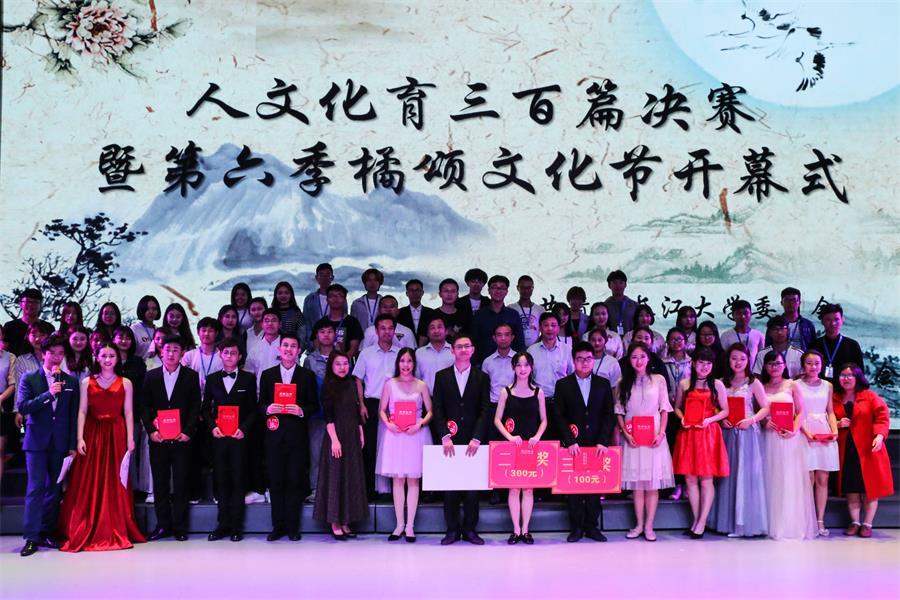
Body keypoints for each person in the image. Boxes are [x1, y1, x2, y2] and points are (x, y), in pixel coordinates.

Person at [58, 343, 144, 551]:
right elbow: (82, 411)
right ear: (97, 357)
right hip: (92, 432)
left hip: (116, 432)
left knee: (116, 479)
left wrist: (130, 438)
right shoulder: (87, 382)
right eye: (104, 355)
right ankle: (86, 524)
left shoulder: (126, 383)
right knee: (88, 479)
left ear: (117, 358)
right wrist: (79, 438)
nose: (107, 359)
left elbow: (129, 412)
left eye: (112, 356)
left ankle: (114, 524)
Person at [16, 334, 79, 557]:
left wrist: (72, 445)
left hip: (60, 442)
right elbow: (23, 407)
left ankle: (48, 531)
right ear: (44, 354)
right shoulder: (29, 378)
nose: (57, 357)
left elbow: (73, 416)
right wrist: (48, 395)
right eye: (52, 353)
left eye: (61, 353)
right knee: (35, 489)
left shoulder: (71, 382)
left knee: (54, 489)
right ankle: (31, 537)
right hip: (36, 442)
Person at [552, 341, 616, 543]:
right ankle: (576, 528)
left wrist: (603, 441)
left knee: (594, 487)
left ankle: (592, 527)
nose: (584, 363)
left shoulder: (603, 384)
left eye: (588, 359)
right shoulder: (563, 385)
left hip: (596, 444)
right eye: (580, 359)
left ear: (593, 360)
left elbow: (609, 414)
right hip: (573, 445)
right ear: (574, 361)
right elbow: (558, 416)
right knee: (574, 488)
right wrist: (569, 441)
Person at [431, 333, 491, 545]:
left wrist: (477, 437)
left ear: (473, 349)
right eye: (459, 346)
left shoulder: (482, 377)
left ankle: (470, 530)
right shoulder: (442, 376)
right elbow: (437, 408)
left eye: (467, 346)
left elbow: (485, 409)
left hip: (474, 441)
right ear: (452, 350)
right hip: (450, 440)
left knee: (472, 489)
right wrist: (444, 435)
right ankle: (452, 530)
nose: (463, 350)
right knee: (450, 488)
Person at [141, 335, 201, 542]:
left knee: (182, 482)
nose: (171, 353)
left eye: (176, 349)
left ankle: (180, 527)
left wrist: (188, 431)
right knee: (160, 483)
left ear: (182, 353)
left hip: (182, 438)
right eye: (168, 349)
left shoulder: (191, 376)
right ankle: (162, 525)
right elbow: (144, 406)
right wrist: (151, 430)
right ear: (161, 352)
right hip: (158, 439)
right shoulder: (151, 376)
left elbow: (195, 406)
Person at [259, 334, 319, 541]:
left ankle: (293, 527)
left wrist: (301, 410)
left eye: (293, 346)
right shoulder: (268, 375)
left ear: (299, 351)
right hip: (274, 437)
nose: (289, 349)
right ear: (279, 349)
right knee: (275, 482)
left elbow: (314, 406)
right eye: (285, 345)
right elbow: (260, 404)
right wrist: (268, 409)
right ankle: (278, 526)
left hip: (297, 437)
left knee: (295, 482)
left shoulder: (307, 376)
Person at [615, 342, 673, 542]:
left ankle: (649, 526)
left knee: (652, 484)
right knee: (637, 485)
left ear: (648, 358)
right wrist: (625, 433)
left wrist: (661, 433)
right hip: (632, 437)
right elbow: (619, 411)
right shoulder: (623, 382)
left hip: (654, 437)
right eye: (634, 357)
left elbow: (664, 409)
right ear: (629, 360)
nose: (638, 361)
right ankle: (639, 525)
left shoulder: (658, 380)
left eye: (642, 356)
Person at [201, 338, 257, 542]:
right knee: (221, 481)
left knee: (238, 481)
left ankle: (236, 526)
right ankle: (222, 524)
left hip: (239, 439)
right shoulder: (212, 379)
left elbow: (253, 410)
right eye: (226, 352)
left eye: (234, 353)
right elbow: (205, 409)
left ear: (240, 356)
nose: (230, 356)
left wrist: (243, 429)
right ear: (220, 355)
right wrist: (212, 427)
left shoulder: (249, 379)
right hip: (219, 438)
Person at [711, 343, 769, 537]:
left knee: (745, 475)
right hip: (728, 433)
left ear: (748, 360)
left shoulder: (753, 382)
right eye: (734, 358)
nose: (738, 362)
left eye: (742, 358)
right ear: (728, 360)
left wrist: (751, 420)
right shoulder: (721, 382)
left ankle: (743, 523)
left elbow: (765, 407)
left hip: (747, 433)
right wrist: (721, 419)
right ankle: (727, 521)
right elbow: (716, 407)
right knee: (727, 476)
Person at [672, 348, 730, 539]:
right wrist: (682, 418)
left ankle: (702, 522)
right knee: (690, 479)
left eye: (708, 363)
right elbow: (677, 408)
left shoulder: (717, 384)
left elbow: (725, 411)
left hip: (708, 433)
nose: (705, 367)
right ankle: (696, 521)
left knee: (706, 479)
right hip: (688, 433)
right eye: (701, 363)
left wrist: (709, 420)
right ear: (693, 364)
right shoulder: (684, 384)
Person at [377, 348, 433, 542]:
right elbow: (382, 410)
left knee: (413, 480)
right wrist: (388, 424)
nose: (406, 365)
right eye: (402, 361)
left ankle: (410, 526)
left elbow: (430, 411)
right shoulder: (390, 384)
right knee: (398, 480)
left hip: (415, 435)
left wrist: (420, 424)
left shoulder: (421, 385)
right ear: (397, 363)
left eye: (409, 361)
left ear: (414, 364)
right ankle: (399, 524)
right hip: (396, 435)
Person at [760, 351, 817, 540]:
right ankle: (769, 524)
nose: (774, 367)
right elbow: (758, 412)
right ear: (765, 366)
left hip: (789, 438)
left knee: (788, 480)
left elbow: (801, 411)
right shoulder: (761, 386)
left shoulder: (792, 385)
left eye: (778, 363)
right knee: (770, 478)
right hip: (768, 438)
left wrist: (794, 429)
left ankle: (789, 525)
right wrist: (764, 422)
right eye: (770, 363)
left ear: (784, 365)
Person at [833, 364, 893, 538]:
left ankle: (867, 524)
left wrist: (879, 436)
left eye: (850, 375)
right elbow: (826, 418)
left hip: (868, 449)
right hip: (847, 449)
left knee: (870, 488)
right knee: (851, 488)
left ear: (857, 377)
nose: (846, 378)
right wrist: (837, 424)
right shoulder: (834, 398)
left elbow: (882, 418)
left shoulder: (870, 396)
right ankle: (855, 522)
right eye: (842, 375)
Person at [494, 351, 547, 545]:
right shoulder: (505, 392)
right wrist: (509, 437)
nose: (522, 369)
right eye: (519, 365)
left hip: (531, 447)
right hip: (513, 447)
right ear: (513, 367)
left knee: (529, 489)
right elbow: (497, 420)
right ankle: (516, 530)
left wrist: (537, 436)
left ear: (531, 368)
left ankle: (526, 530)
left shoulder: (538, 392)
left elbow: (544, 420)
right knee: (514, 488)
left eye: (526, 365)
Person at [314, 351, 368, 539]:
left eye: (345, 363)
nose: (342, 367)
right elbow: (328, 416)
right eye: (338, 364)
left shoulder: (352, 383)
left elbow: (356, 410)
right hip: (336, 435)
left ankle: (345, 520)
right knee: (335, 477)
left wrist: (360, 431)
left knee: (349, 477)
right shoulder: (327, 386)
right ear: (331, 366)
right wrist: (335, 440)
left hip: (352, 434)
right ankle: (335, 522)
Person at [352, 314, 401, 499]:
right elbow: (358, 380)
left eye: (390, 328)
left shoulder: (400, 353)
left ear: (394, 330)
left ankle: (392, 490)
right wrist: (361, 405)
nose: (386, 332)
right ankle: (370, 490)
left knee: (393, 446)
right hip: (372, 403)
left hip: (395, 405)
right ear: (376, 331)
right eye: (383, 328)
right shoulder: (366, 353)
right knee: (371, 446)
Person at [796, 350, 839, 536]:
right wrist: (806, 432)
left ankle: (820, 520)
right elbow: (796, 412)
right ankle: (806, 520)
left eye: (817, 363)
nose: (813, 367)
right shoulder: (796, 385)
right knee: (808, 478)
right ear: (803, 365)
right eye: (809, 363)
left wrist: (834, 430)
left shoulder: (828, 385)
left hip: (824, 432)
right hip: (804, 432)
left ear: (822, 365)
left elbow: (830, 411)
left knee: (823, 478)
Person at [302, 320, 336, 501]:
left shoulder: (341, 357)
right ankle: (315, 489)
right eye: (322, 331)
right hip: (317, 413)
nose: (326, 335)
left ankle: (335, 488)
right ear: (316, 336)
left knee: (337, 451)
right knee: (316, 452)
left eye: (330, 331)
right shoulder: (309, 360)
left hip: (338, 414)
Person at [661, 327, 691, 501]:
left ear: (685, 342)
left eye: (680, 339)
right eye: (673, 339)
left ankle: (686, 483)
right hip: (667, 411)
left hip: (687, 411)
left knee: (685, 450)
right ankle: (674, 485)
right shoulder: (662, 362)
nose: (677, 342)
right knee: (671, 447)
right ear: (667, 342)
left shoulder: (692, 362)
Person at [472, 275, 526, 365]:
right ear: (489, 290)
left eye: (502, 288)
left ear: (506, 291)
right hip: (484, 365)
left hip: (510, 365)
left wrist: (521, 364)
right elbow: (474, 342)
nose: (498, 291)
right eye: (494, 287)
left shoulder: (513, 315)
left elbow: (520, 343)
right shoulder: (480, 315)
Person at [527, 313, 574, 409]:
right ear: (540, 328)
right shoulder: (531, 351)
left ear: (558, 328)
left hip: (562, 401)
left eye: (553, 325)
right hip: (537, 401)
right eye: (546, 325)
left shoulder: (567, 349)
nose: (550, 328)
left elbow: (573, 375)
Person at [810, 303, 865, 387]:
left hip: (844, 391)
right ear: (822, 321)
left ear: (842, 320)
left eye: (836, 319)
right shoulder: (815, 345)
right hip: (818, 390)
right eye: (828, 320)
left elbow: (859, 375)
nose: (833, 323)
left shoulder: (853, 346)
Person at [319, 284, 364, 359]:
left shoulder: (353, 322)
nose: (335, 298)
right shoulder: (320, 323)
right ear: (327, 300)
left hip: (345, 363)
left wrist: (341, 361)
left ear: (345, 300)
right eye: (332, 296)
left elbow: (353, 349)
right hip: (323, 363)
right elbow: (317, 347)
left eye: (339, 296)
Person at [3, 288, 53, 356]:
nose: (30, 304)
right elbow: (4, 350)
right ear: (20, 304)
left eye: (35, 302)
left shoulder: (48, 327)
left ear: (41, 305)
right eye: (27, 301)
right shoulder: (9, 326)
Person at [181, 317, 224, 393]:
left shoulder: (223, 356)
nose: (206, 334)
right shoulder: (189, 355)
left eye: (210, 331)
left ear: (216, 333)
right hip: (193, 395)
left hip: (216, 396)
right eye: (203, 330)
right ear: (198, 332)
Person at [720, 300, 765, 369]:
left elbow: (761, 359)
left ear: (751, 314)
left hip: (753, 374)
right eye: (738, 313)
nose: (742, 316)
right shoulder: (726, 336)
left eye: (745, 313)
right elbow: (724, 359)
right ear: (733, 315)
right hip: (733, 374)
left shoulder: (759, 336)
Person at [414, 316, 454, 394]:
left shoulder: (454, 351)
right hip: (426, 397)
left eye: (439, 327)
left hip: (450, 397)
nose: (436, 331)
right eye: (432, 328)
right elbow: (417, 379)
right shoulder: (419, 353)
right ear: (428, 333)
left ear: (446, 331)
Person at [770, 287, 816, 351]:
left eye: (794, 300)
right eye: (787, 300)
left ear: (799, 302)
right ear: (781, 303)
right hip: (779, 357)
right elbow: (768, 346)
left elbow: (813, 347)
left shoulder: (808, 325)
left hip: (803, 357)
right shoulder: (774, 324)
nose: (790, 303)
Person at [245, 309, 282, 387]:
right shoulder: (255, 348)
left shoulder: (287, 347)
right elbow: (248, 374)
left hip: (282, 391)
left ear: (280, 324)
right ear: (262, 324)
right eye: (266, 321)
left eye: (274, 320)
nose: (270, 323)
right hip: (260, 391)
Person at [397, 279, 434, 347]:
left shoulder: (431, 313)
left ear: (422, 293)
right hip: (404, 348)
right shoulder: (399, 313)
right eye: (411, 290)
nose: (415, 293)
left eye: (417, 290)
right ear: (407, 293)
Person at [0, 328, 17, 481]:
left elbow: (13, 383)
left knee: (0, 449)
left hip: (2, 403)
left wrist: (1, 398)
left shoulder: (10, 357)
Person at [508, 275, 541, 347]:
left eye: (529, 288)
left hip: (535, 349)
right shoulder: (510, 308)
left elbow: (544, 330)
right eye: (523, 288)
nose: (526, 291)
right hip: (516, 348)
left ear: (533, 288)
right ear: (518, 288)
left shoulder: (540, 310)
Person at [604, 270, 637, 337]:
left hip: (631, 340)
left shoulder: (634, 305)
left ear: (625, 285)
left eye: (621, 282)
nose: (618, 285)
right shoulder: (605, 306)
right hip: (611, 341)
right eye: (614, 283)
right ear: (609, 285)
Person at [455, 267, 489, 332]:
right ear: (467, 283)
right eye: (473, 281)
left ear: (483, 284)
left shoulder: (488, 302)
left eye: (480, 282)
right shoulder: (459, 302)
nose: (476, 284)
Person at [241, 296, 268, 362]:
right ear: (249, 313)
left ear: (266, 310)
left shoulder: (271, 332)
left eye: (259, 309)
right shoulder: (247, 333)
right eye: (253, 310)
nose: (256, 312)